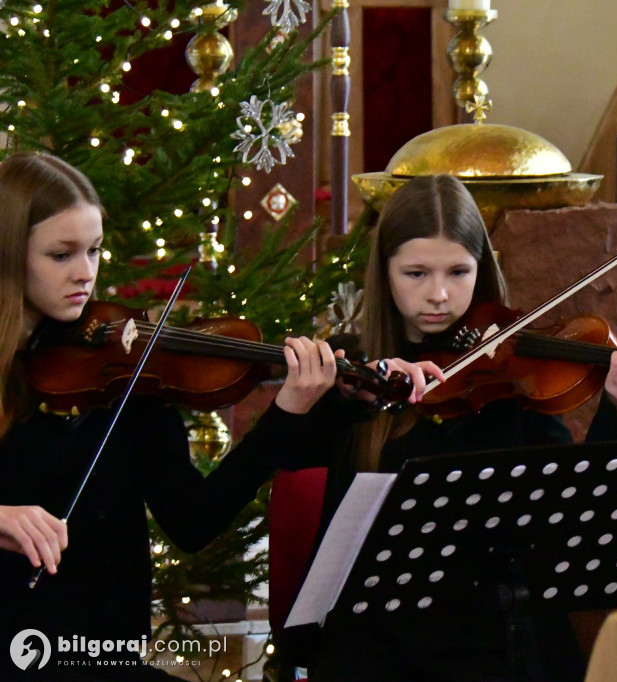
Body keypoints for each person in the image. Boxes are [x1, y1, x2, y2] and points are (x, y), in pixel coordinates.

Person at [0, 152, 430, 680]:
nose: (85, 273)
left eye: (94, 250)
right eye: (61, 255)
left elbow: (193, 521)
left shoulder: (125, 369)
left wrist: (288, 412)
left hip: (101, 653)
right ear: (10, 254)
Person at [285, 174, 617, 682]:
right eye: (416, 273)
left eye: (459, 272)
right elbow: (292, 459)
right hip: (376, 638)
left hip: (491, 628)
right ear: (384, 272)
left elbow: (573, 507)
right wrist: (339, 398)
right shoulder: (356, 376)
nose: (439, 295)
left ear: (483, 269)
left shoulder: (511, 373)